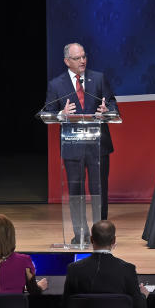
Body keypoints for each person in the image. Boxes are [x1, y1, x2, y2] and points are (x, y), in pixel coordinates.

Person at [44, 42, 119, 244]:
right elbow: (46, 112)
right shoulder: (56, 84)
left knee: (99, 190)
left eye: (84, 57)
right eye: (77, 58)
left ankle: (101, 234)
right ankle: (80, 233)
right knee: (75, 192)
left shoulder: (99, 78)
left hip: (98, 146)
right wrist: (61, 114)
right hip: (73, 147)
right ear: (67, 61)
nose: (82, 61)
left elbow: (112, 104)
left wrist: (107, 111)